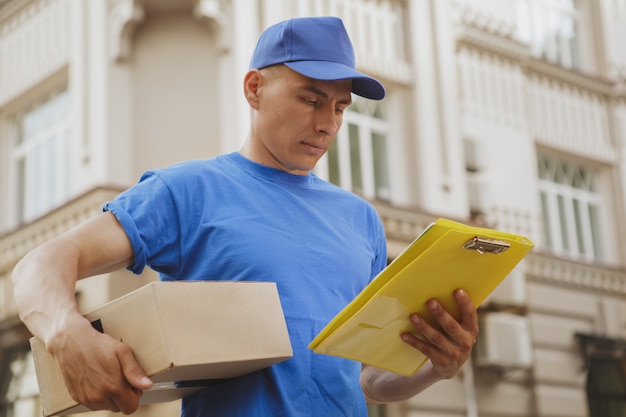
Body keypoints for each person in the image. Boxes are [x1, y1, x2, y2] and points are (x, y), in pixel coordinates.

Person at [12, 16, 478, 417]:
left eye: (339, 108)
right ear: (255, 89)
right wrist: (65, 332)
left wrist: (435, 368)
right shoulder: (190, 191)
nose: (327, 124)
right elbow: (41, 264)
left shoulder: (361, 220)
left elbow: (368, 380)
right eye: (311, 99)